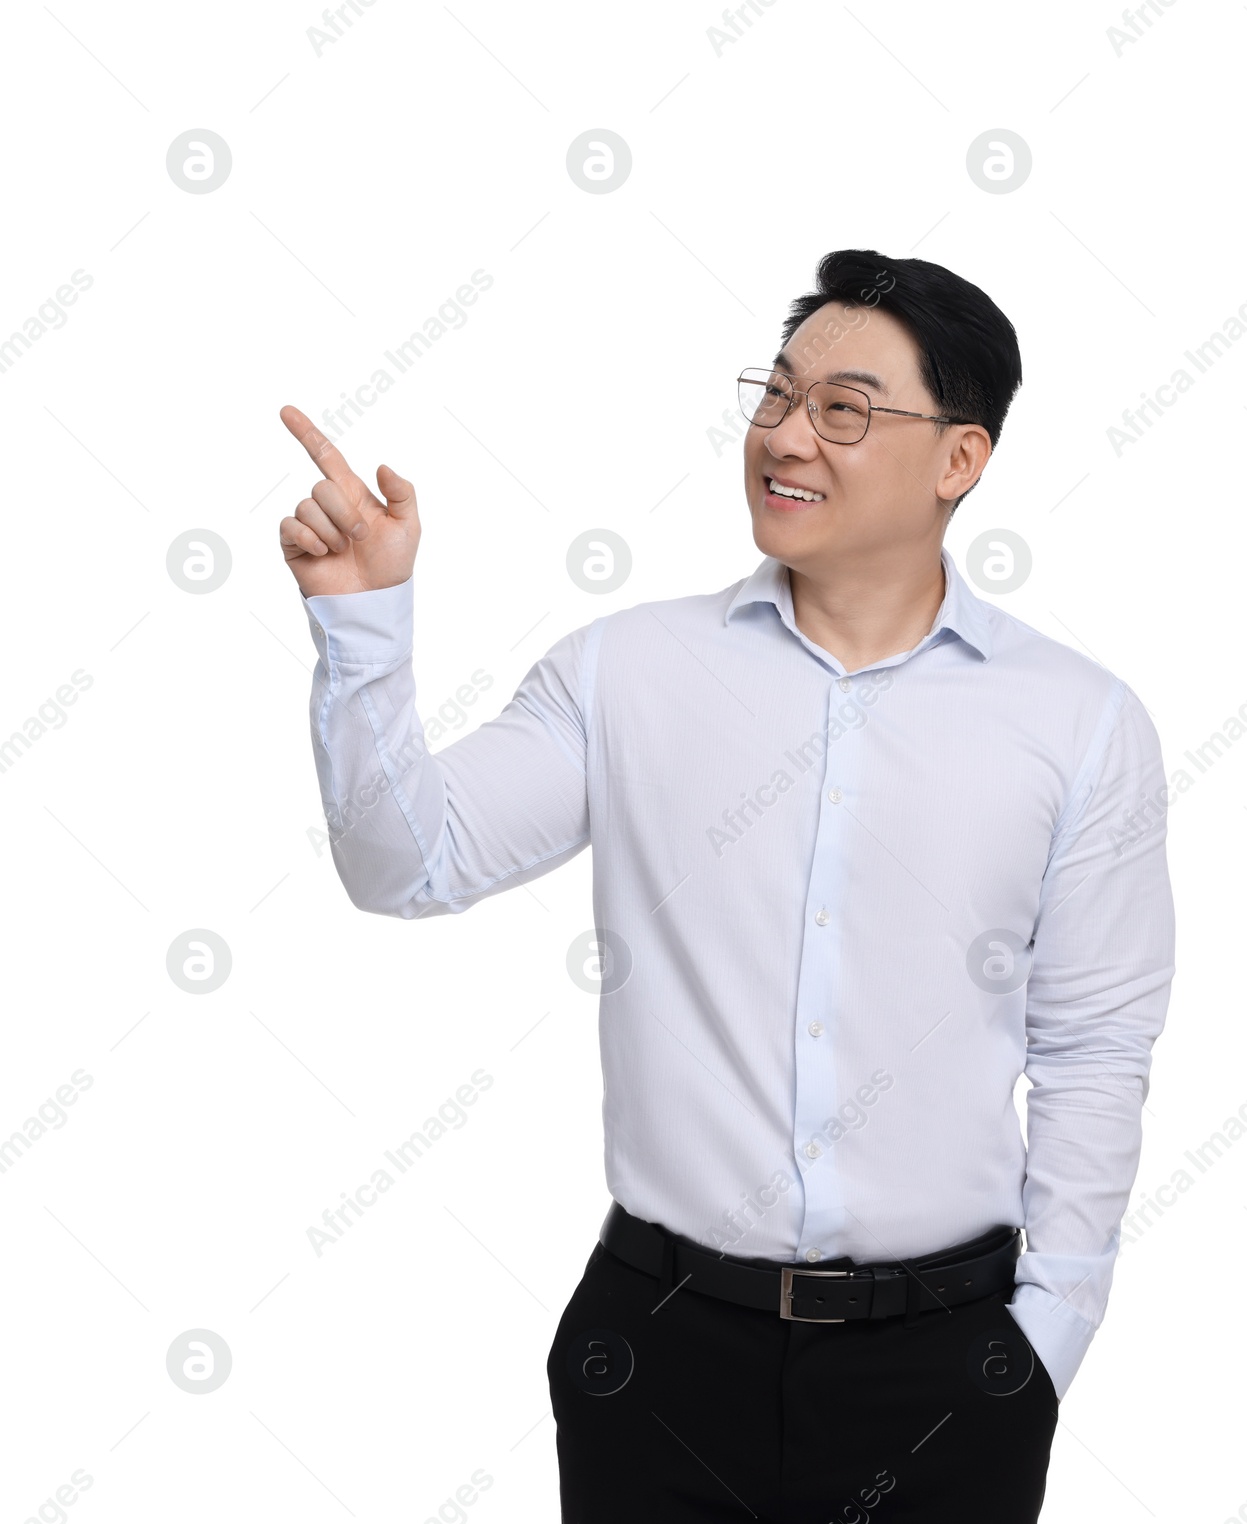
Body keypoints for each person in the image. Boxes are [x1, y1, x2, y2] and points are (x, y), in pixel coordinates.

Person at [278, 248, 1176, 1522]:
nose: (786, 436)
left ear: (960, 459)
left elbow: (1094, 1044)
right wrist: (363, 632)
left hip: (945, 1362)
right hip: (657, 1349)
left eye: (845, 409)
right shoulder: (626, 672)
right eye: (777, 393)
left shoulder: (1077, 723)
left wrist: (1044, 1341)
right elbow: (406, 863)